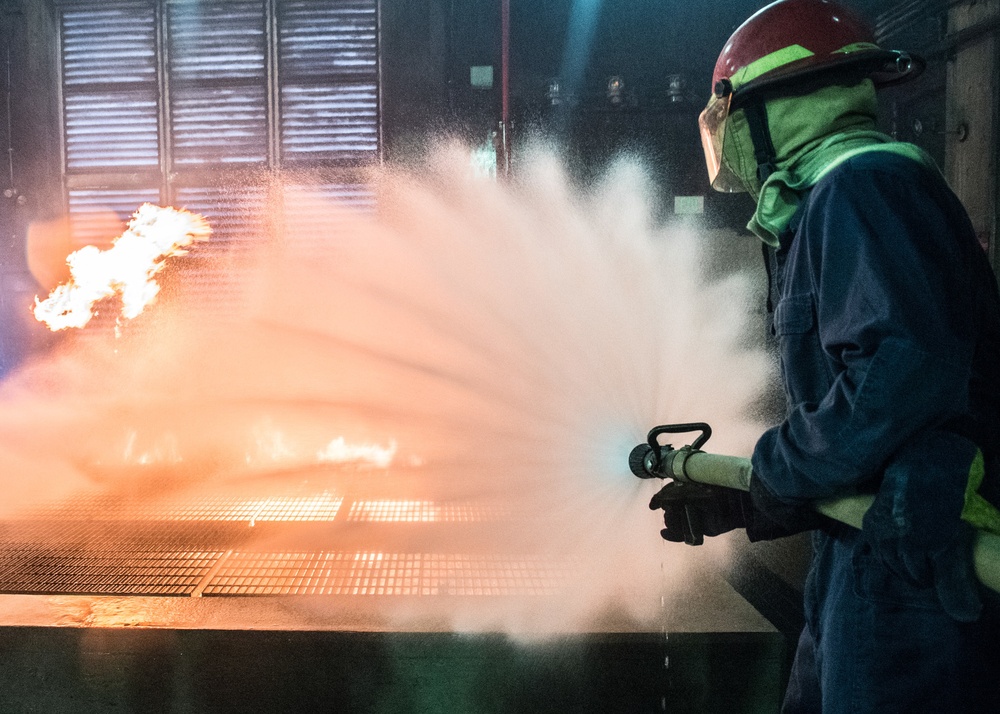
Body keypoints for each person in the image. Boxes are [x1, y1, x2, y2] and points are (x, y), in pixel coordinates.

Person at [647, 0, 1000, 711]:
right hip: (867, 551)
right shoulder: (832, 200)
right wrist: (749, 500)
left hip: (917, 563)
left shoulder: (861, 187)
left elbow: (899, 377)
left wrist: (770, 472)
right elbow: (866, 431)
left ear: (765, 111)